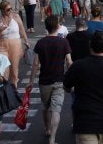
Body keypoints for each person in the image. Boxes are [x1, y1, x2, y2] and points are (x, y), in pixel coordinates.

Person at [26, 15, 72, 144]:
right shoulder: (63, 42)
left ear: (46, 27)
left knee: (45, 106)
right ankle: (52, 139)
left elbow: (35, 64)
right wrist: (72, 77)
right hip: (59, 79)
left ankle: (47, 129)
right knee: (56, 110)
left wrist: (31, 81)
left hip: (44, 80)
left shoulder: (41, 43)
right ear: (58, 26)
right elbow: (69, 62)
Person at [0, 1, 29, 85]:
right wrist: (0, 30)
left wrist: (26, 41)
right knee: (4, 68)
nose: (10, 11)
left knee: (14, 68)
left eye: (11, 9)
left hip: (15, 44)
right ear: (2, 10)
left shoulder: (16, 17)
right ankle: (3, 88)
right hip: (2, 45)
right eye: (8, 10)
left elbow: (22, 29)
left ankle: (14, 88)